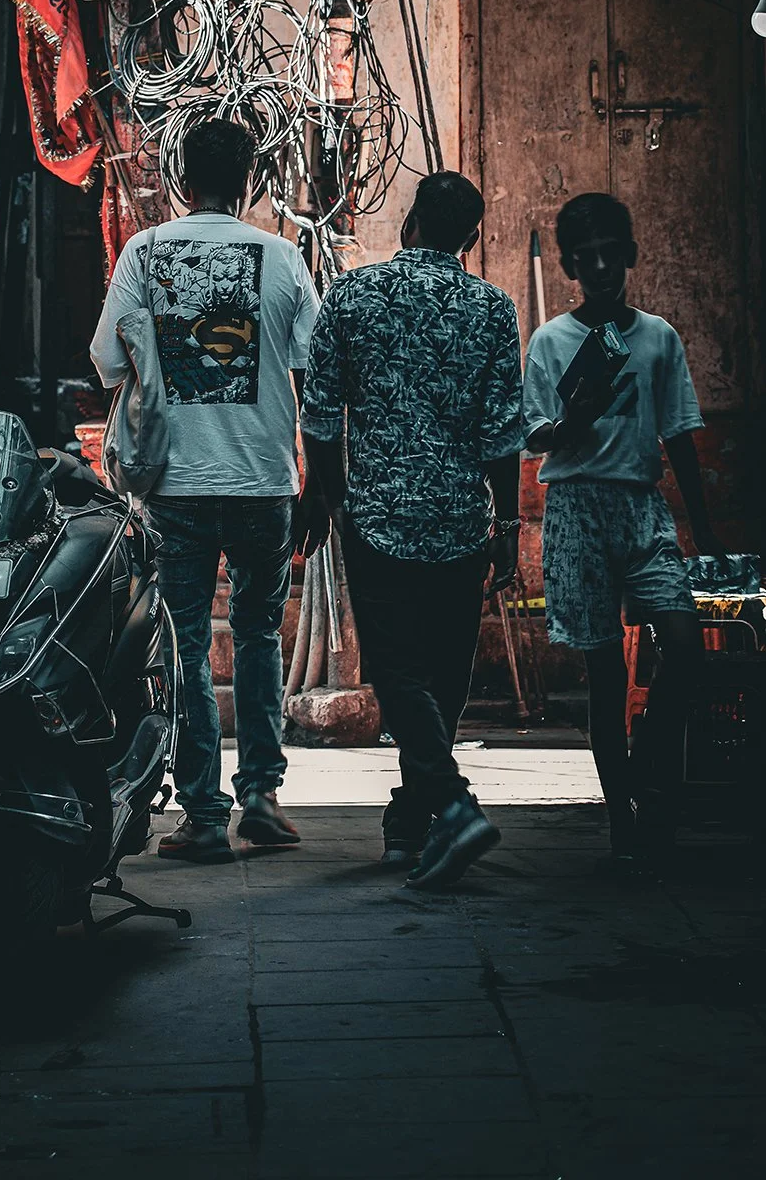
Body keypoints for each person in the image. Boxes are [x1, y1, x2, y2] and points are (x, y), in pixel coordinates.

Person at [90, 118, 328, 864]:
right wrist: (319, 484)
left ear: (180, 178)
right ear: (250, 180)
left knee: (184, 643)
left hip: (175, 486)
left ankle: (201, 816)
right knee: (258, 633)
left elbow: (104, 360)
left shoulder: (144, 251)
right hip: (263, 483)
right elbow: (317, 375)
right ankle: (261, 795)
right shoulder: (283, 257)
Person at [301, 171, 523, 888]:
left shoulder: (354, 294)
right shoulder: (490, 309)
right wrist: (508, 522)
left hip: (378, 515)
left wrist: (325, 497)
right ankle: (411, 821)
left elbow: (318, 411)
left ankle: (445, 807)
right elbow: (501, 432)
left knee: (398, 673)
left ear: (410, 224)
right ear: (471, 238)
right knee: (442, 679)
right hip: (460, 519)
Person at [522, 193, 725, 871]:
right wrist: (571, 422)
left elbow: (678, 434)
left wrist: (706, 539)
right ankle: (621, 821)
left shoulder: (656, 337)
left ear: (631, 255)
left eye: (613, 253)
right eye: (587, 258)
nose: (602, 267)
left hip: (640, 509)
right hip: (576, 510)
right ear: (570, 265)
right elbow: (533, 437)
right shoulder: (550, 341)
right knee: (604, 676)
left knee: (685, 650)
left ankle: (647, 767)